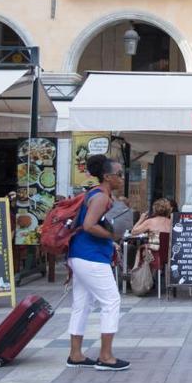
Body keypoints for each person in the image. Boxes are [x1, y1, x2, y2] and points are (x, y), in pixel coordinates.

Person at [67, 154, 130, 371]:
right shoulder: (101, 197)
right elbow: (89, 225)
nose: (122, 178)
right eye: (119, 174)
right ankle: (106, 356)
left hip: (81, 255)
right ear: (107, 176)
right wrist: (111, 237)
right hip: (91, 256)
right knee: (111, 301)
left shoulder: (95, 194)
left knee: (82, 305)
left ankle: (75, 354)